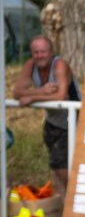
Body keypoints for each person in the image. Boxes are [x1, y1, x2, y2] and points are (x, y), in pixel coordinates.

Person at [12, 35, 79, 195]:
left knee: (61, 164)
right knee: (56, 166)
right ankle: (62, 199)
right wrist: (41, 90)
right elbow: (17, 92)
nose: (39, 55)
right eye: (36, 52)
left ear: (51, 52)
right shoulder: (30, 65)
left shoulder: (60, 65)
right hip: (52, 121)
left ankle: (72, 199)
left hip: (73, 120)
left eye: (43, 52)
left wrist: (33, 97)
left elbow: (61, 95)